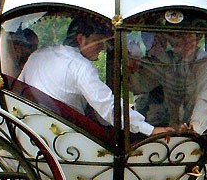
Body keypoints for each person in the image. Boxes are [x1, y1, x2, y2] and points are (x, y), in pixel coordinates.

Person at [19, 15, 173, 138]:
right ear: (81, 39)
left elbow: (19, 88)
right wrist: (150, 130)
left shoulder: (39, 54)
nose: (102, 48)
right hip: (65, 140)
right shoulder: (80, 66)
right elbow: (108, 106)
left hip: (29, 130)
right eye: (98, 42)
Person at [129, 29, 207, 135]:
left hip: (204, 132)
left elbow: (205, 99)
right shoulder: (168, 61)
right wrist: (133, 69)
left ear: (197, 38)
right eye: (178, 36)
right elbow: (141, 86)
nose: (185, 40)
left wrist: (194, 128)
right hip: (171, 127)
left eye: (189, 36)